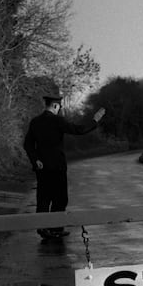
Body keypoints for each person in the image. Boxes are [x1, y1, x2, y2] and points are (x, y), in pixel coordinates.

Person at [24, 95, 106, 239]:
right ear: (55, 106)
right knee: (60, 198)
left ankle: (43, 228)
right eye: (59, 107)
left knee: (43, 198)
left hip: (41, 167)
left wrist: (35, 159)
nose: (60, 109)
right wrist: (95, 121)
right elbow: (79, 130)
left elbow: (28, 144)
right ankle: (56, 228)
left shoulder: (35, 122)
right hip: (57, 166)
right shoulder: (57, 120)